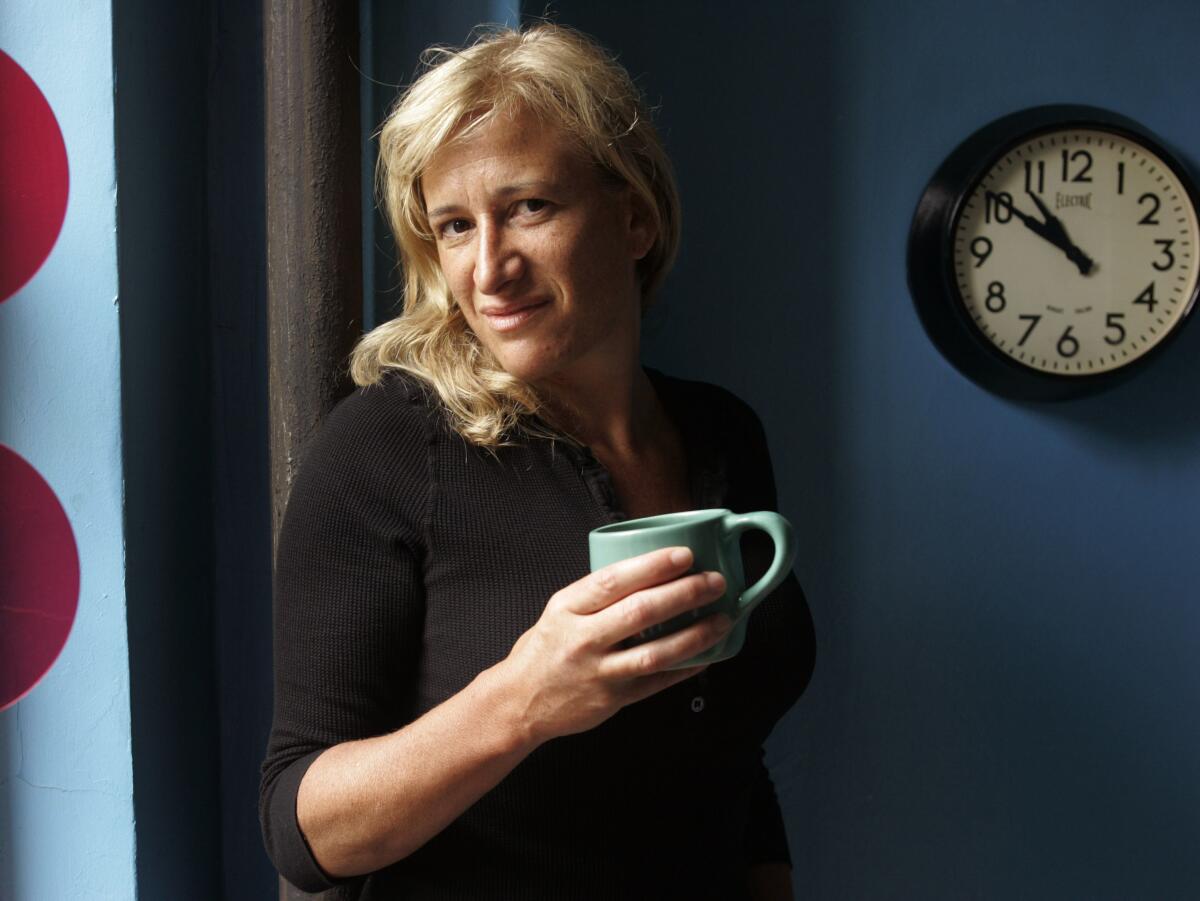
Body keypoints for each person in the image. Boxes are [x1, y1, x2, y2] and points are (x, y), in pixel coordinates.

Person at [259, 23, 815, 901]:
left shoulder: (721, 433)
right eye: (454, 225)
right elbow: (302, 828)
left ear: (635, 214)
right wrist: (521, 699)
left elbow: (726, 748)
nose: (489, 269)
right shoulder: (385, 449)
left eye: (529, 207)